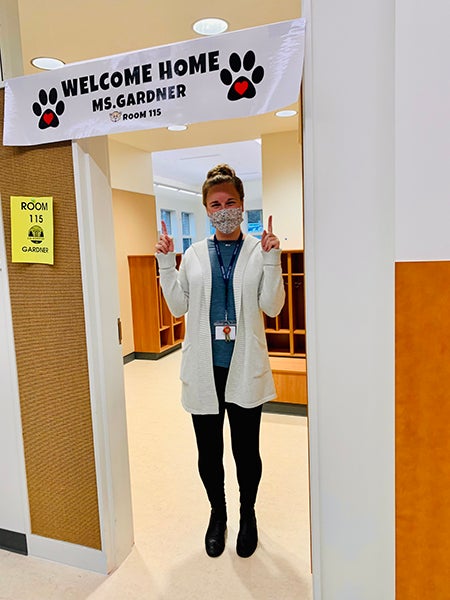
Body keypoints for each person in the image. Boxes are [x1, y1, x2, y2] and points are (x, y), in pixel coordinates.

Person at [155, 164, 285, 558]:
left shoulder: (257, 251)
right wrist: (165, 264)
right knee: (208, 453)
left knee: (247, 452)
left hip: (244, 368)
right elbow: (178, 307)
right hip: (203, 370)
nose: (223, 209)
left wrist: (273, 260)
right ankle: (219, 514)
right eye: (216, 204)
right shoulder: (193, 256)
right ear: (207, 210)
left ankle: (248, 514)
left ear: (242, 206)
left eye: (231, 202)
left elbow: (273, 307)